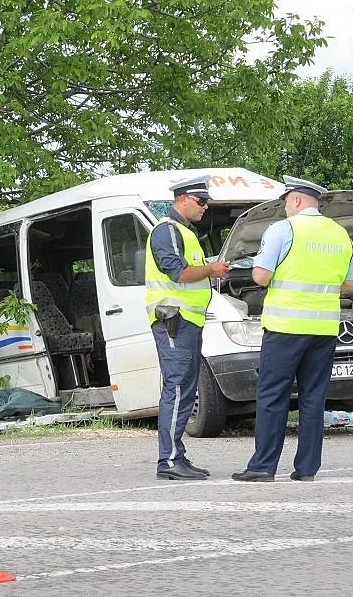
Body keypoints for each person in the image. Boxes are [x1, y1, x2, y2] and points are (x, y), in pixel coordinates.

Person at [232, 176, 353, 482]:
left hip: (286, 326)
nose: (285, 207)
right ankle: (307, 469)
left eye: (286, 201)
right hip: (325, 328)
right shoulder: (340, 233)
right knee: (314, 398)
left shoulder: (283, 229)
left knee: (272, 395)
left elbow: (261, 277)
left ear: (297, 200)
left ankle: (263, 466)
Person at [145, 175, 230, 480]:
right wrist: (211, 269)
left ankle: (176, 455)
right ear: (182, 199)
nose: (206, 207)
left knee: (186, 387)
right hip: (173, 320)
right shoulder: (166, 231)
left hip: (186, 321)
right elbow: (177, 273)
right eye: (201, 201)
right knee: (178, 386)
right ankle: (168, 461)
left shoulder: (184, 232)